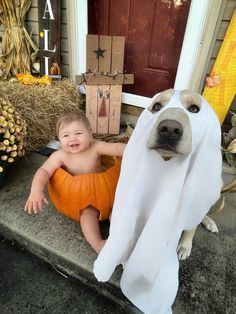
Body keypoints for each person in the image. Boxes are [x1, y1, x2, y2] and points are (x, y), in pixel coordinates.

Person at [24, 112, 126, 253]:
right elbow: (44, 171)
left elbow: (115, 149)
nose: (72, 139)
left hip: (110, 192)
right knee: (87, 217)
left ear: (90, 134)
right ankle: (98, 244)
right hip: (85, 199)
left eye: (78, 133)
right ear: (59, 139)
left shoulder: (96, 147)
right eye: (66, 135)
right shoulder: (60, 156)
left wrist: (133, 150)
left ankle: (122, 237)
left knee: (120, 210)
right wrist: (36, 190)